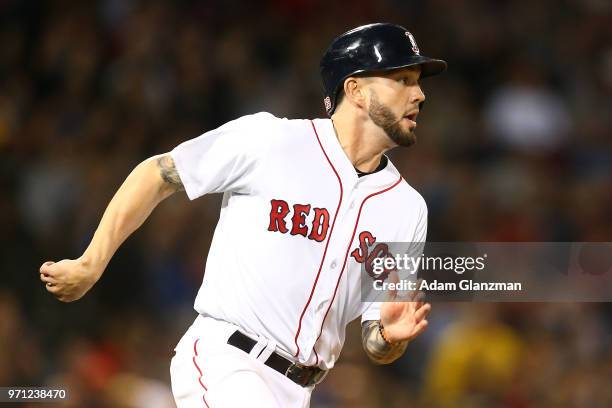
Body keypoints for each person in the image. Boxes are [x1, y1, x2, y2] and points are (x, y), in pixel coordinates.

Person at [39, 23, 446, 407]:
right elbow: (158, 173)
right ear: (355, 89)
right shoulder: (272, 141)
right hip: (228, 360)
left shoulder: (406, 208)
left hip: (299, 390)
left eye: (417, 82)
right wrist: (91, 262)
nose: (419, 95)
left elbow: (377, 339)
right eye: (402, 80)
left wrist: (390, 337)